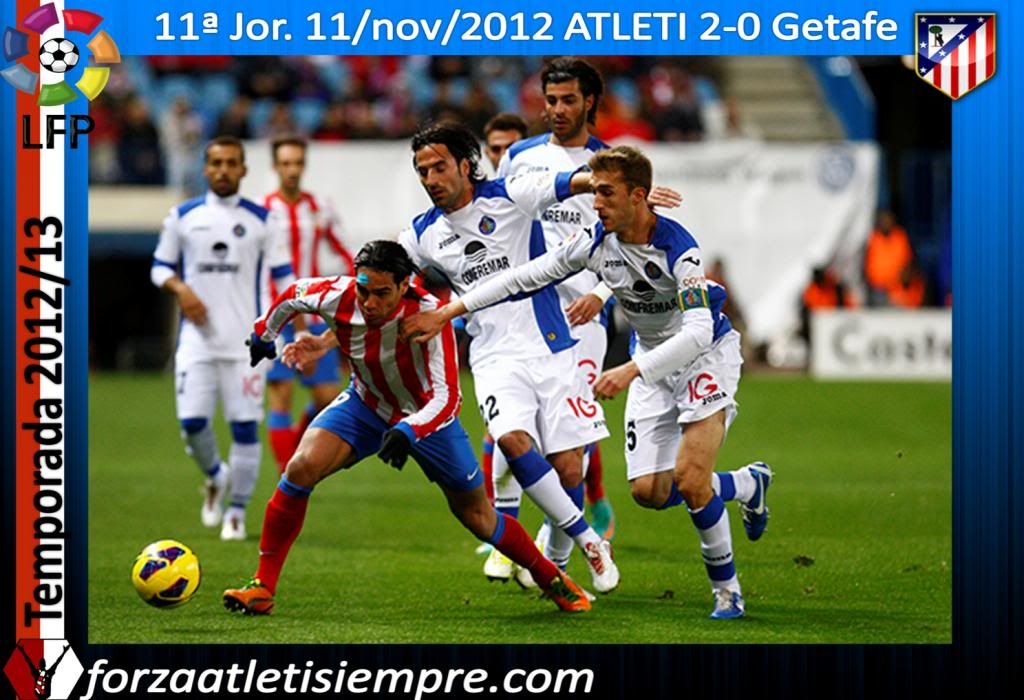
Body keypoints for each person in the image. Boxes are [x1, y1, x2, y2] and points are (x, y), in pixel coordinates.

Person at [404, 145, 774, 619]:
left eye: (605, 193)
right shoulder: (597, 241)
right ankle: (746, 485)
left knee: (690, 478)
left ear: (638, 196)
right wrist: (452, 311)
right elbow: (525, 276)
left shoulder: (680, 250)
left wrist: (629, 370)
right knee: (649, 493)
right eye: (594, 192)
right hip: (650, 363)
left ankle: (727, 592)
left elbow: (700, 328)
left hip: (704, 358)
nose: (595, 203)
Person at [222, 241, 592, 614]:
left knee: (479, 517)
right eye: (363, 290)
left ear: (404, 286)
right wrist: (263, 334)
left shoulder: (430, 316)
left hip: (428, 421)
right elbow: (291, 296)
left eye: (381, 293)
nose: (369, 303)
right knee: (300, 467)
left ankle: (552, 579)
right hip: (365, 405)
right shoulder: (338, 294)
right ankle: (262, 587)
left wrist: (409, 431)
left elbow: (447, 399)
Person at [397, 122, 620, 595]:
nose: (431, 178)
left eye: (439, 167)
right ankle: (588, 542)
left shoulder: (510, 193)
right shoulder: (422, 233)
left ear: (464, 163)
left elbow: (562, 184)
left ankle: (553, 565)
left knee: (569, 470)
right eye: (422, 171)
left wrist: (598, 183)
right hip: (494, 355)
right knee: (513, 442)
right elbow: (380, 275)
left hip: (553, 342)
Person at [151, 136, 295, 541]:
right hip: (196, 341)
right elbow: (160, 267)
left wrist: (285, 324)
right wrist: (180, 289)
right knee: (192, 423)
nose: (223, 170)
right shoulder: (182, 216)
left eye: (232, 163)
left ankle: (236, 510)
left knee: (245, 428)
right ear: (205, 168)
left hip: (246, 346)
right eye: (216, 163)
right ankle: (216, 475)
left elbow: (285, 278)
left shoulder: (264, 219)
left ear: (244, 169)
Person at [263, 136, 355, 472]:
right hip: (276, 315)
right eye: (285, 163)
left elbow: (346, 252)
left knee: (326, 398)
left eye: (297, 163)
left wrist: (356, 286)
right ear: (275, 167)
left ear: (304, 165)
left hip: (315, 315)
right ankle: (284, 474)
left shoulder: (320, 208)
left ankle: (296, 452)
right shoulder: (263, 211)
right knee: (281, 393)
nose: (292, 170)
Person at [863, 210, 913, 306]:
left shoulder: (900, 237)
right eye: (883, 220)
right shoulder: (873, 238)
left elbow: (908, 261)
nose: (886, 222)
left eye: (888, 219)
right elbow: (865, 261)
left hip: (896, 289)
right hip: (876, 289)